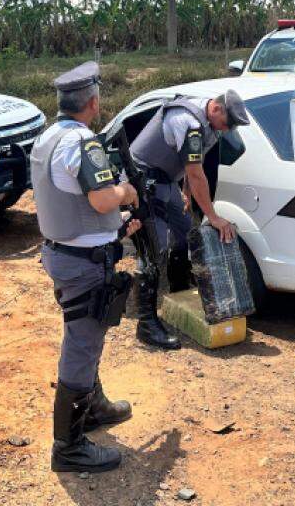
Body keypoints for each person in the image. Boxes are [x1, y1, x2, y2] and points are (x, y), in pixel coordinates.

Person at [30, 61, 143, 474]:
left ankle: (93, 408)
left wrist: (117, 226)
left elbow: (76, 202)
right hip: (83, 264)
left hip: (65, 253)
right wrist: (126, 191)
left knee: (86, 334)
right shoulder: (83, 143)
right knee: (82, 345)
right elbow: (99, 200)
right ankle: (69, 447)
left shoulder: (47, 137)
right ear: (92, 103)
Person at [129, 89, 250, 350]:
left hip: (166, 179)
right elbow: (196, 173)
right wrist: (213, 217)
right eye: (227, 124)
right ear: (216, 109)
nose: (227, 130)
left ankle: (178, 294)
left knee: (185, 231)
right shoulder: (188, 122)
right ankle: (146, 324)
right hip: (144, 179)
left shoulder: (208, 121)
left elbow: (191, 162)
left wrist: (185, 193)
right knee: (153, 245)